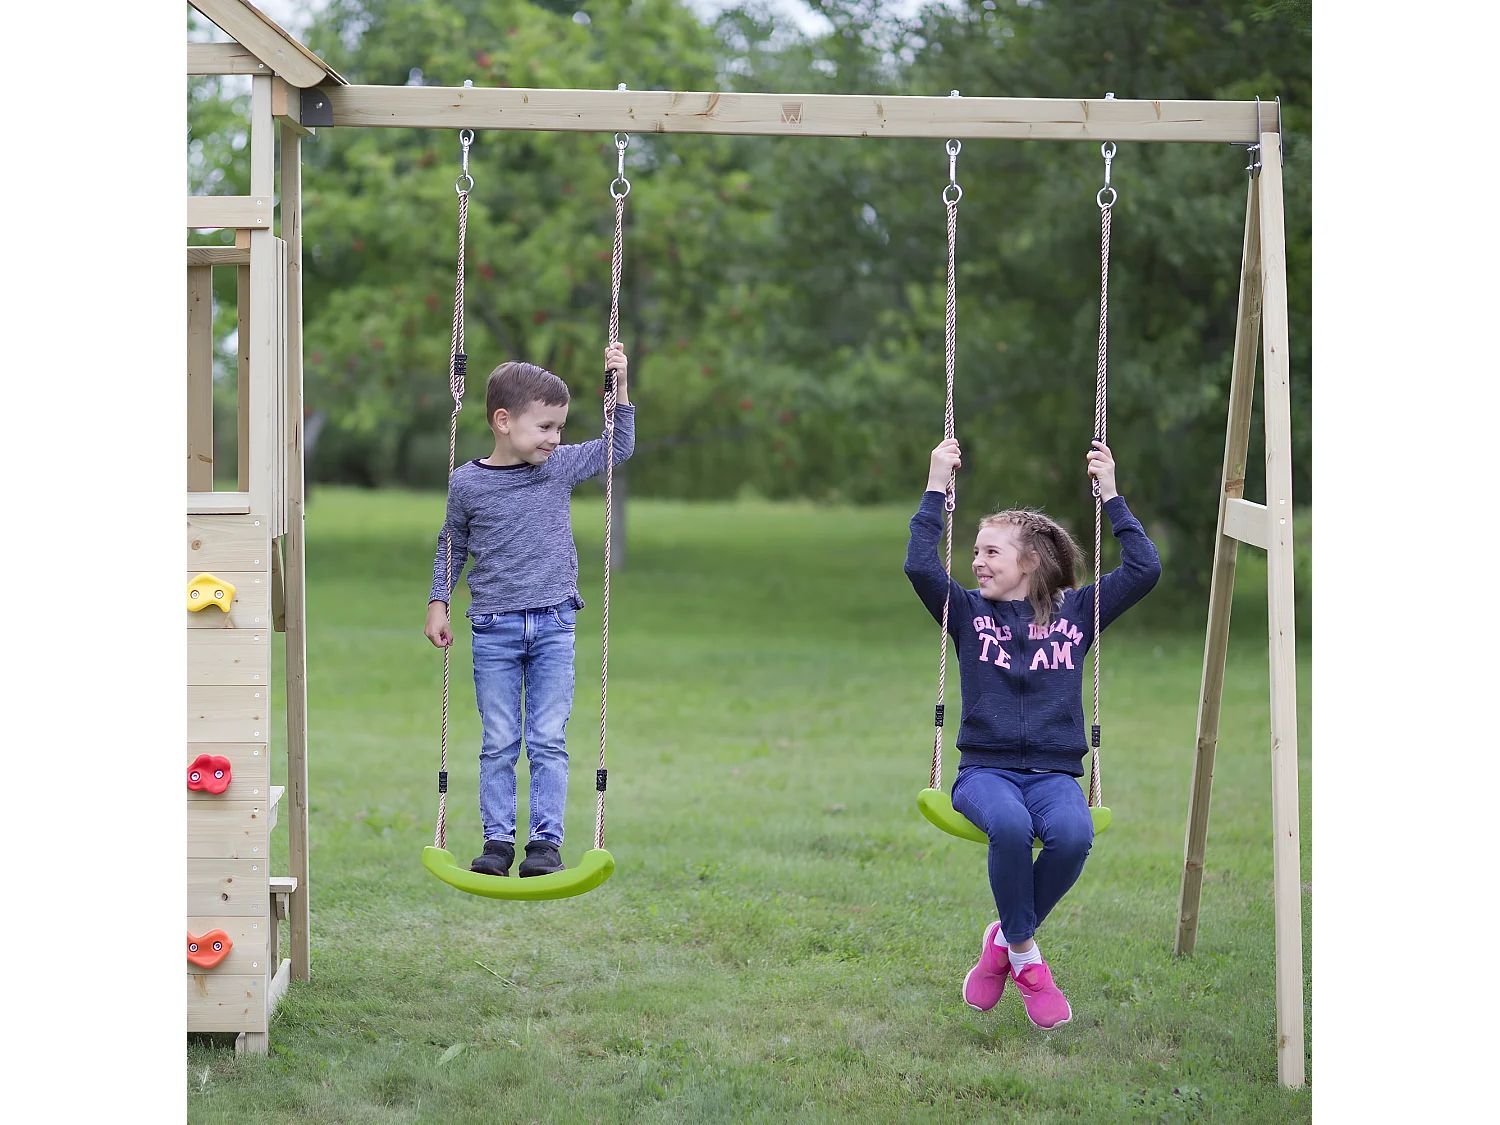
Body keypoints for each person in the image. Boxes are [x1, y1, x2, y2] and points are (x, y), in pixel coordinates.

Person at [904, 437, 1160, 1029]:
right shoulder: (967, 613)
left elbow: (1145, 568)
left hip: (1054, 774)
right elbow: (919, 565)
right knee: (1012, 826)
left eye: (991, 551)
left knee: (1073, 834)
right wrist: (936, 485)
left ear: (1030, 562)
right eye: (975, 550)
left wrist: (1111, 495)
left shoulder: (1078, 613)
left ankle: (1003, 941)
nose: (977, 561)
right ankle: (1027, 958)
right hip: (984, 773)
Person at [424, 345, 633, 878]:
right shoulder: (468, 483)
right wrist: (438, 601)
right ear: (503, 421)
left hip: (554, 623)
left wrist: (621, 388)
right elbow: (452, 545)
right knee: (498, 741)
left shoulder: (558, 467)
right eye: (545, 427)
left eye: (560, 428)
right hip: (493, 628)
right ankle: (497, 843)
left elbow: (619, 447)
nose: (555, 439)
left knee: (547, 739)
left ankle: (544, 845)